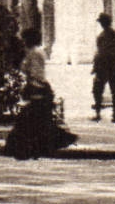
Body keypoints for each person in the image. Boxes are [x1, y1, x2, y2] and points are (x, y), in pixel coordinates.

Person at [4, 27, 78, 159]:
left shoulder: (35, 53)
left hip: (37, 89)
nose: (23, 42)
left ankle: (27, 148)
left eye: (25, 39)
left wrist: (33, 85)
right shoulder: (35, 52)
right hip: (37, 89)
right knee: (38, 121)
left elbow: (37, 73)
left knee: (30, 121)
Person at [92, 12, 115, 123]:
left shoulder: (101, 37)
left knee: (97, 90)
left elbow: (100, 54)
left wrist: (95, 67)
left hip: (103, 68)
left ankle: (98, 113)